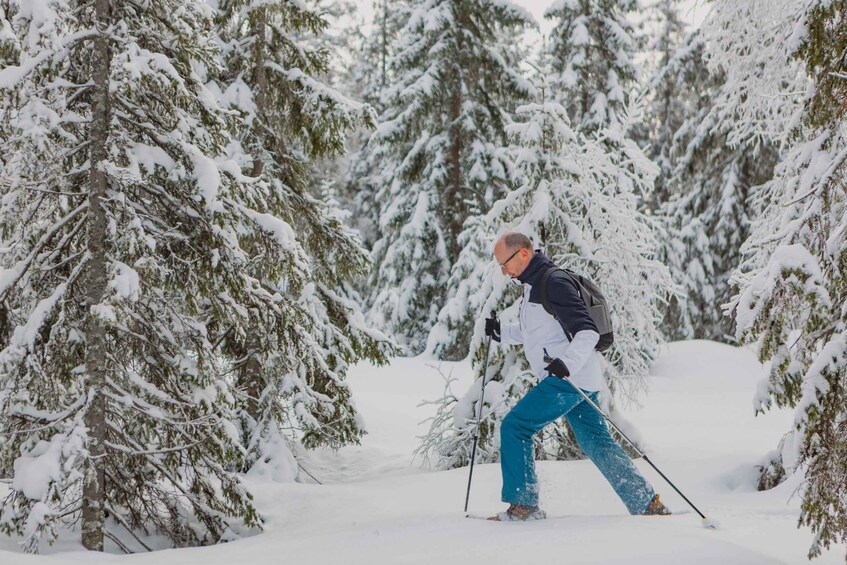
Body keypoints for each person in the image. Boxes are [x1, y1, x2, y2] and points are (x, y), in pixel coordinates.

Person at [483, 231, 670, 521]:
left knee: (515, 427)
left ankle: (523, 506)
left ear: (522, 253)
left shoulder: (553, 282)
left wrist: (566, 364)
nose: (503, 271)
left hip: (567, 381)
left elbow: (587, 331)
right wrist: (501, 332)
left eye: (504, 263)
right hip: (580, 380)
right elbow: (536, 331)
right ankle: (647, 504)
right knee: (597, 442)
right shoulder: (534, 286)